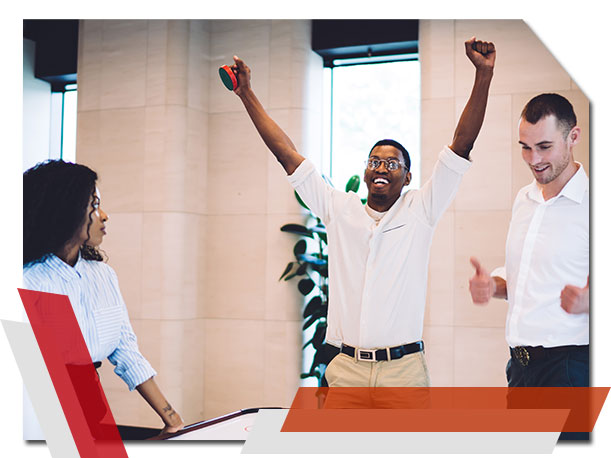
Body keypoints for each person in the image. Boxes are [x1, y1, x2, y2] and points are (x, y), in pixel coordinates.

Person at [230, 37, 495, 388]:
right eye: (374, 161)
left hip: (403, 371)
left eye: (392, 163)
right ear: (366, 170)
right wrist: (246, 93)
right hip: (346, 369)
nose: (381, 168)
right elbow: (287, 155)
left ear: (408, 176)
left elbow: (461, 145)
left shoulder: (421, 209)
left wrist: (483, 76)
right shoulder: (339, 209)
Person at [23, 160, 184, 436]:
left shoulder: (103, 275)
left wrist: (173, 421)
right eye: (94, 206)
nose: (104, 216)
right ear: (65, 212)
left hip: (91, 403)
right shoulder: (30, 281)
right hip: (37, 412)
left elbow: (126, 351)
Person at [468, 93, 588, 389]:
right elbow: (527, 278)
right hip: (520, 369)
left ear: (573, 137)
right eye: (525, 148)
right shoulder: (524, 198)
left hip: (571, 370)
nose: (534, 159)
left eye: (544, 147)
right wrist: (493, 286)